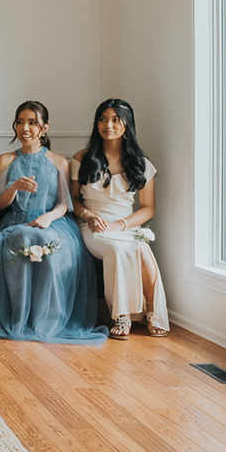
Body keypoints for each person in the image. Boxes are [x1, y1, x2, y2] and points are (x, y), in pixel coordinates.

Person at [0, 102, 107, 344]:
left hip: (52, 221)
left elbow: (65, 203)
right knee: (23, 237)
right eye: (20, 122)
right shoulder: (5, 160)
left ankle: (46, 320)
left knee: (46, 240)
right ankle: (20, 318)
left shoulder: (59, 161)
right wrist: (15, 187)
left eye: (32, 123)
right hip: (17, 220)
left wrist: (49, 217)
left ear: (44, 128)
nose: (25, 128)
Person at [69, 99, 170, 339]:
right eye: (103, 119)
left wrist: (121, 225)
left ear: (127, 125)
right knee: (116, 249)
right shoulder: (82, 158)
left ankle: (152, 313)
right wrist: (89, 216)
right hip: (94, 225)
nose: (108, 125)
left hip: (126, 225)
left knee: (143, 251)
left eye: (116, 120)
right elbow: (72, 200)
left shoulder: (141, 164)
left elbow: (148, 209)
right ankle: (121, 315)